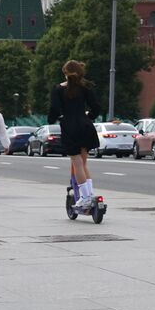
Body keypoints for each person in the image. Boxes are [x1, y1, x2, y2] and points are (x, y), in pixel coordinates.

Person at [49, 60, 100, 205]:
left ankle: (85, 198)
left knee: (76, 163)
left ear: (65, 73)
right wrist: (88, 116)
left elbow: (54, 109)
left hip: (70, 127)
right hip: (85, 126)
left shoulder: (58, 89)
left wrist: (55, 119)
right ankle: (90, 194)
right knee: (84, 164)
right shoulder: (86, 87)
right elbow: (96, 107)